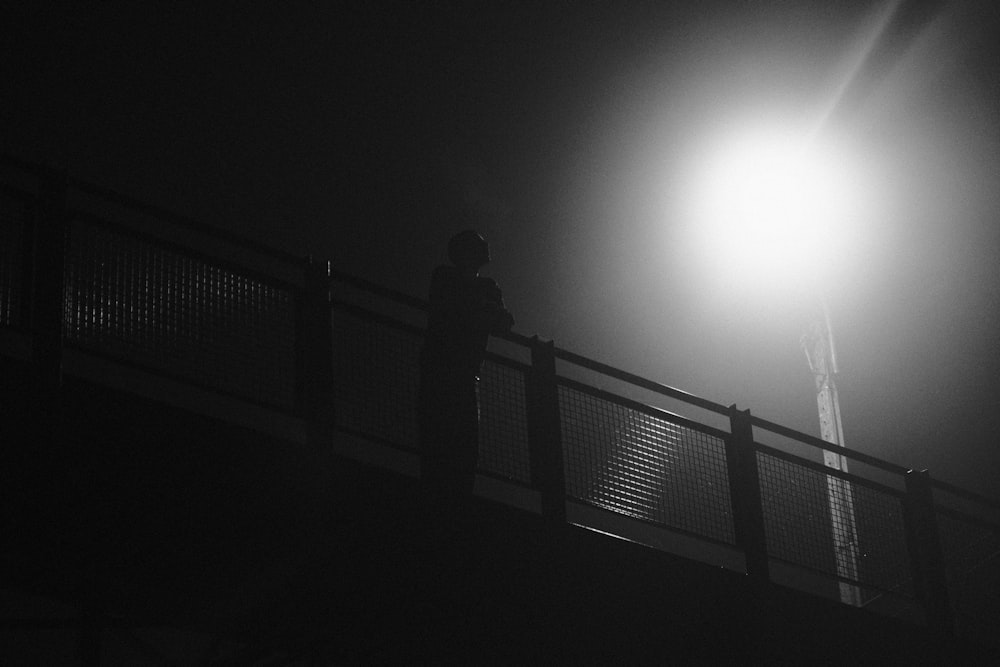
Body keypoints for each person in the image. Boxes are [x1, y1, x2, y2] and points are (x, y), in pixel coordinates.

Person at [418, 230, 514, 504]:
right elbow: (467, 313)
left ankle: (449, 502)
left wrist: (479, 311)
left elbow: (504, 322)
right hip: (443, 371)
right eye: (479, 244)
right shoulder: (447, 277)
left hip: (458, 373)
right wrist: (483, 312)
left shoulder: (485, 287)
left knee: (462, 445)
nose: (486, 246)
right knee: (441, 439)